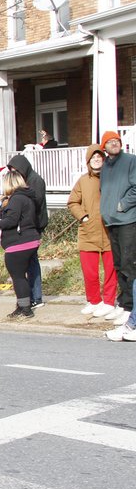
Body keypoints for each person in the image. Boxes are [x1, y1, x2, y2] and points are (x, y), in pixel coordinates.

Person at [67, 144, 116, 319]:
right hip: (89, 232)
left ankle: (109, 302)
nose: (96, 160)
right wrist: (84, 217)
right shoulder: (83, 180)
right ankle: (94, 300)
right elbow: (73, 202)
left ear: (104, 159)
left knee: (111, 270)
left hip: (110, 232)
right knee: (90, 271)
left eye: (99, 157)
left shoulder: (112, 177)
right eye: (93, 157)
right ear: (88, 161)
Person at [99, 130, 136, 337]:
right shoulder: (106, 166)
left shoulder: (130, 161)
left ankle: (131, 307)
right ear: (104, 146)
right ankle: (124, 304)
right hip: (112, 221)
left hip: (128, 220)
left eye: (117, 141)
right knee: (119, 264)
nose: (114, 144)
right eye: (110, 142)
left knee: (130, 265)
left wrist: (122, 205)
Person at [0, 170, 40, 320]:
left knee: (18, 277)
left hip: (18, 242)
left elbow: (10, 221)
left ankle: (25, 308)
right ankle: (23, 304)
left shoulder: (17, 199)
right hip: (31, 239)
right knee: (22, 276)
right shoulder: (28, 197)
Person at [6, 154, 48, 309]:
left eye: (15, 170)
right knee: (27, 263)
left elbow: (35, 205)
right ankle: (28, 296)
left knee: (32, 263)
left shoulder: (35, 181)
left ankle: (36, 296)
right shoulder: (24, 182)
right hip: (25, 228)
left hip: (33, 227)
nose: (14, 173)